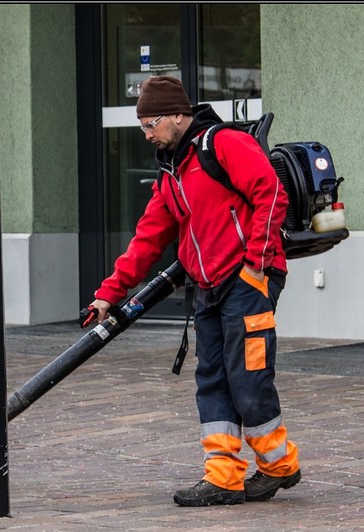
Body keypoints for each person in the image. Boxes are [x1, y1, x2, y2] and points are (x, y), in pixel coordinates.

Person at [88, 76, 301, 507]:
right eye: (142, 126)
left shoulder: (223, 144)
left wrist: (255, 267)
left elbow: (271, 192)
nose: (147, 134)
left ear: (178, 115)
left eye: (151, 124)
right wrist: (109, 293)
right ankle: (222, 477)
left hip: (248, 280)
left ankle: (279, 465)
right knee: (212, 379)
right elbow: (147, 239)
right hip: (208, 287)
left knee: (247, 376)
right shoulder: (170, 173)